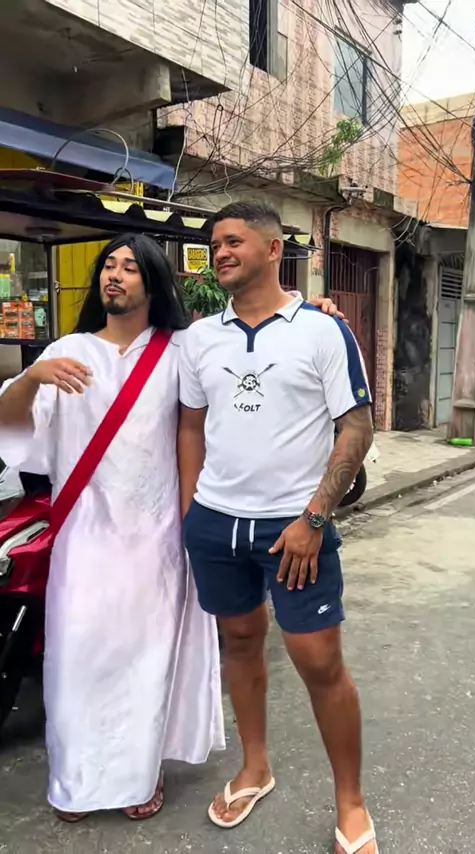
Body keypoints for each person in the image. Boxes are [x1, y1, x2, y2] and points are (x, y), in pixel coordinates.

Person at [0, 231, 341, 824]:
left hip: (156, 534)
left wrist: (314, 312)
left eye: (130, 267)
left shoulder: (183, 347)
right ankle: (75, 782)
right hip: (83, 535)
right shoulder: (68, 350)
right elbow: (11, 425)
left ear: (153, 282)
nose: (114, 275)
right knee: (75, 660)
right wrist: (32, 378)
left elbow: (249, 345)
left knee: (145, 661)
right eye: (109, 265)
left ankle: (139, 775)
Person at [178, 202, 377, 854]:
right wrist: (191, 513)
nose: (221, 252)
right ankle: (254, 768)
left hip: (295, 528)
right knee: (239, 644)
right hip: (216, 525)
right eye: (216, 243)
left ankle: (351, 802)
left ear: (271, 248)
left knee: (320, 662)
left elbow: (356, 426)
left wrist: (315, 517)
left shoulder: (322, 330)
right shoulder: (198, 338)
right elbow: (190, 426)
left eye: (234, 241)